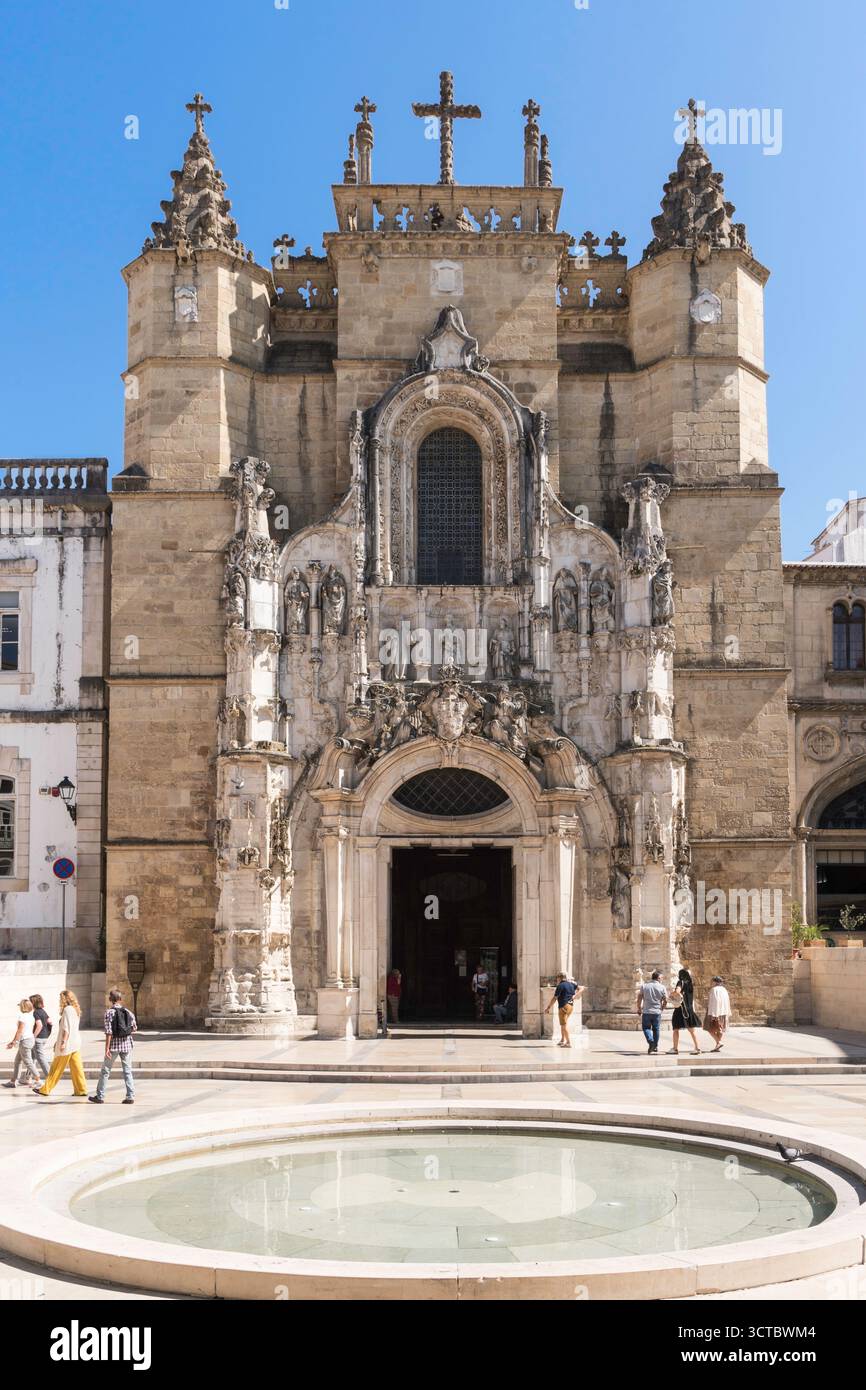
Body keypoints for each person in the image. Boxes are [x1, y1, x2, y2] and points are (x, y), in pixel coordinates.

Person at [33, 989, 87, 1098]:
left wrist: (62, 1043)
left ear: (64, 999)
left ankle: (45, 1089)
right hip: (75, 1042)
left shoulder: (67, 1010)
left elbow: (66, 1028)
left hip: (68, 1043)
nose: (59, 1001)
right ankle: (81, 1090)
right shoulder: (76, 1009)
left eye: (60, 998)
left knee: (56, 1068)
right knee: (77, 1068)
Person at [89, 989, 138, 1104]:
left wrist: (106, 1049)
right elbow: (134, 1028)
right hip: (126, 1046)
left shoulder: (109, 1013)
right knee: (127, 1071)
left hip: (114, 1046)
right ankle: (130, 1096)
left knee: (105, 1071)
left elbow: (109, 1032)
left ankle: (100, 1096)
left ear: (110, 999)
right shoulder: (128, 1012)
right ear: (120, 999)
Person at [3, 998, 41, 1088]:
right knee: (17, 1061)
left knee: (28, 1061)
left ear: (23, 1007)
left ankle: (39, 1081)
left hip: (25, 1041)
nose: (19, 1007)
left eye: (20, 1005)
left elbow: (20, 1030)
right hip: (29, 1039)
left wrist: (14, 1042)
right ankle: (13, 1082)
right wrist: (15, 1041)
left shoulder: (22, 1017)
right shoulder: (31, 1016)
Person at [544, 973, 585, 1048]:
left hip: (563, 1007)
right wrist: (576, 995)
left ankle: (568, 1042)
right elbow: (582, 988)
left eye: (557, 978)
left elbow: (554, 998)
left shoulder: (560, 986)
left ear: (559, 978)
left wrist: (548, 1007)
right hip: (570, 1006)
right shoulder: (571, 984)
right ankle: (562, 1040)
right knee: (563, 1024)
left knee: (564, 1025)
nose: (557, 980)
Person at [669, 968, 702, 1055]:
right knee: (692, 1030)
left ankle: (675, 1048)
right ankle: (697, 1047)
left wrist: (671, 994)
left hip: (681, 1009)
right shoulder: (690, 984)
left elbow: (677, 991)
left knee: (676, 1029)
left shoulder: (681, 982)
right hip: (689, 1009)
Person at [636, 971, 667, 1054]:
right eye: (662, 978)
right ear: (658, 978)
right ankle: (655, 1046)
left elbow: (639, 998)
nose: (662, 980)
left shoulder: (644, 986)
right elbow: (665, 1000)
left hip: (646, 1011)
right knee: (656, 1029)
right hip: (657, 1012)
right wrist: (662, 1008)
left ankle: (651, 1042)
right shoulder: (662, 987)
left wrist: (639, 1008)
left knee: (646, 1028)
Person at [704, 975, 732, 1053]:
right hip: (724, 1012)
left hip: (714, 1012)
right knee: (720, 1030)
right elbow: (727, 1002)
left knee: (709, 1028)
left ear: (714, 982)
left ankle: (718, 1042)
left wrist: (714, 1015)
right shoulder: (724, 990)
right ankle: (717, 1046)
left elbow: (714, 1002)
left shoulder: (714, 990)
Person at [29, 993, 52, 1079]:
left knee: (41, 1059)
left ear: (33, 1003)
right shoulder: (43, 1011)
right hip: (44, 1037)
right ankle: (27, 1078)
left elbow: (39, 1025)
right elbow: (50, 1022)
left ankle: (50, 1077)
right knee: (32, 1058)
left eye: (30, 1002)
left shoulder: (36, 1012)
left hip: (38, 1038)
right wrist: (47, 1033)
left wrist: (33, 1036)